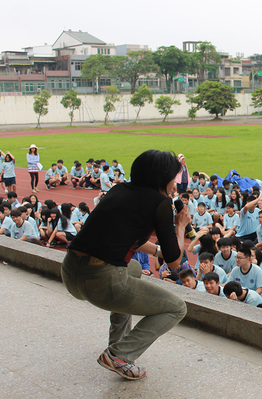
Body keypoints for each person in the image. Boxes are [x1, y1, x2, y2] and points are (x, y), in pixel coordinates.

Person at [62, 150, 190, 381]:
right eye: (174, 177)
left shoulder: (119, 189)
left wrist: (156, 251)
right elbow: (175, 261)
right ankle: (120, 355)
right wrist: (180, 225)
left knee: (131, 269)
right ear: (163, 178)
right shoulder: (160, 203)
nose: (175, 182)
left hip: (70, 272)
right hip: (100, 281)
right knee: (176, 308)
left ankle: (117, 343)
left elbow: (125, 235)